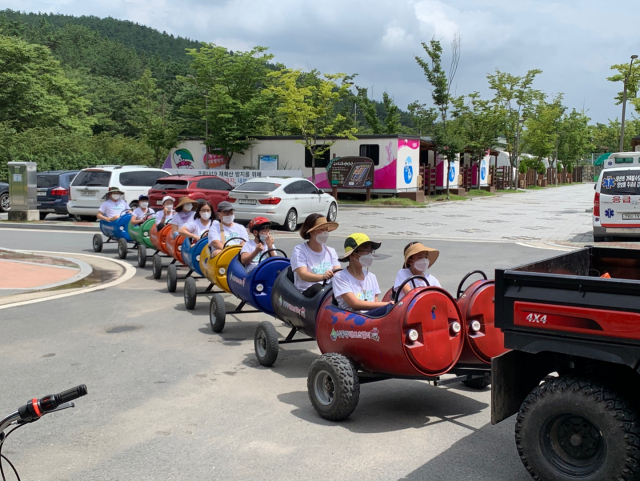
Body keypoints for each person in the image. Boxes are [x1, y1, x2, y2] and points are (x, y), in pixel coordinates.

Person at [332, 233, 394, 316]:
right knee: (389, 308)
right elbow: (354, 304)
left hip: (370, 318)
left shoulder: (371, 277)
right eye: (365, 250)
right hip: (352, 319)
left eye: (370, 251)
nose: (369, 254)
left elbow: (375, 304)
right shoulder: (340, 277)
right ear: (353, 254)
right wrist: (387, 305)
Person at [290, 213, 341, 298]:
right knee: (319, 289)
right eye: (321, 230)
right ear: (312, 232)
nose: (325, 233)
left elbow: (338, 271)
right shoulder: (300, 250)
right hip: (307, 294)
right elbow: (303, 275)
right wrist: (323, 277)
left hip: (328, 291)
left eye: (326, 230)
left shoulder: (331, 251)